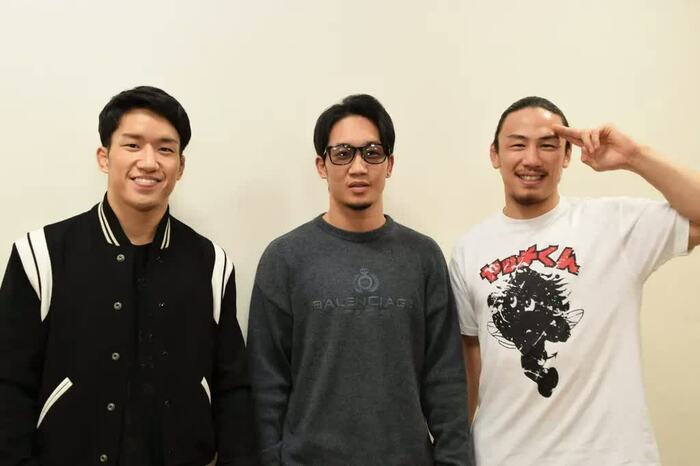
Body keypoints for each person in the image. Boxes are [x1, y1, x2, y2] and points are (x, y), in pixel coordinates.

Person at [0, 86, 258, 466]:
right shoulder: (40, 255)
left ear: (181, 166)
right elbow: (9, 386)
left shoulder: (212, 264)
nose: (149, 162)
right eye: (133, 145)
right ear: (104, 157)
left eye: (165, 149)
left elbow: (232, 390)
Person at [449, 95, 700, 465]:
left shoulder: (615, 225)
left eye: (548, 145)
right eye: (517, 145)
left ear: (567, 155)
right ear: (494, 155)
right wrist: (455, 451)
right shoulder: (469, 249)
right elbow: (470, 357)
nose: (532, 159)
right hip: (502, 455)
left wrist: (634, 156)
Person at [247, 94, 473, 466]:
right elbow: (266, 382)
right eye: (342, 154)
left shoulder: (423, 257)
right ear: (321, 165)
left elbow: (445, 378)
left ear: (389, 164)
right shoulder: (285, 258)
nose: (358, 167)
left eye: (371, 153)